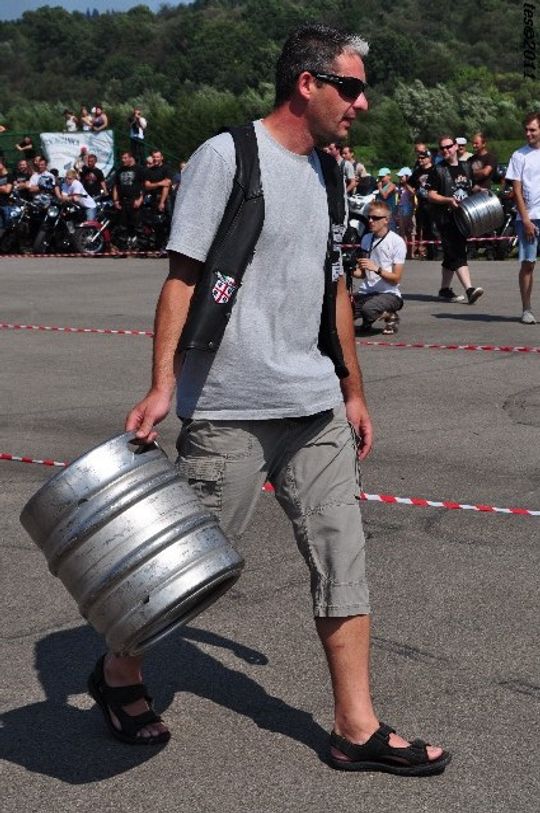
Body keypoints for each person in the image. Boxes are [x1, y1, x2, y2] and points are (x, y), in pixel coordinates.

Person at [86, 23, 451, 777]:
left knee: (343, 555)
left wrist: (352, 389)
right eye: (351, 87)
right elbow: (183, 279)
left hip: (314, 404)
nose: (362, 102)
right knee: (187, 571)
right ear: (307, 85)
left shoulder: (332, 175)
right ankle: (119, 671)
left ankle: (354, 726)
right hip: (230, 405)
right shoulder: (227, 157)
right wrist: (163, 385)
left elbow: (333, 286)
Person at [427, 136, 484, 304]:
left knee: (451, 254)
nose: (445, 150)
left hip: (463, 217)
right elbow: (431, 195)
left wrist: (480, 190)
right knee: (457, 252)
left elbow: (469, 186)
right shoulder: (437, 170)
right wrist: (448, 200)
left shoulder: (466, 166)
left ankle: (444, 290)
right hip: (445, 218)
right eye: (442, 148)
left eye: (448, 146)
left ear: (456, 146)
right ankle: (470, 289)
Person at [505, 111, 540, 324]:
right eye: (526, 130)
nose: (528, 134)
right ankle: (526, 309)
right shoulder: (519, 156)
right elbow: (516, 191)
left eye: (532, 130)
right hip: (529, 217)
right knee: (528, 264)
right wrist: (526, 220)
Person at [352, 200, 406, 334]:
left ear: (386, 220)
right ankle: (368, 320)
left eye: (376, 218)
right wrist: (349, 268)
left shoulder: (396, 242)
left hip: (389, 293)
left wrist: (377, 269)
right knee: (342, 310)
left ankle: (390, 315)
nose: (371, 221)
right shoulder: (366, 239)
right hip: (367, 292)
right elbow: (362, 274)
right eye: (369, 217)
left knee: (368, 309)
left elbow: (396, 279)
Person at [111, 151, 145, 247]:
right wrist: (116, 200)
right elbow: (116, 186)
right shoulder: (120, 170)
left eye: (125, 158)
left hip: (134, 200)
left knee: (138, 225)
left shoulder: (139, 169)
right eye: (122, 158)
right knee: (122, 226)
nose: (123, 160)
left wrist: (140, 199)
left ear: (130, 158)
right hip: (123, 201)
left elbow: (144, 186)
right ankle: (123, 247)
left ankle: (140, 247)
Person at [409, 148, 437, 259]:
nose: (420, 160)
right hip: (422, 203)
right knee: (423, 228)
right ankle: (428, 252)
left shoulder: (435, 169)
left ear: (429, 158)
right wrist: (413, 192)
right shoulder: (417, 171)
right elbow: (408, 183)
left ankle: (437, 252)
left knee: (434, 227)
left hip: (434, 203)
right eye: (419, 158)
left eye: (422, 158)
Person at [395, 166, 414, 255]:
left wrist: (407, 184)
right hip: (401, 210)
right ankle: (404, 252)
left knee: (410, 232)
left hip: (410, 211)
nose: (400, 178)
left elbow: (413, 193)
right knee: (402, 231)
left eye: (401, 176)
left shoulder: (411, 186)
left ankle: (411, 253)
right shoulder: (400, 186)